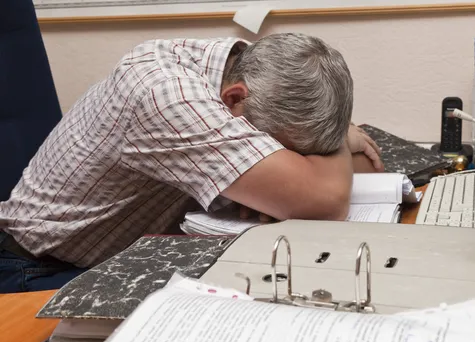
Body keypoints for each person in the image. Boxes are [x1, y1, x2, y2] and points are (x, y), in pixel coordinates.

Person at [0, 33, 383, 293]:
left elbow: (355, 171)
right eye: (286, 150)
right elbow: (328, 201)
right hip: (37, 274)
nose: (291, 159)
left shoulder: (250, 72)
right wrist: (338, 140)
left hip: (118, 254)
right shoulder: (167, 96)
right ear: (234, 99)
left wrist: (304, 163)